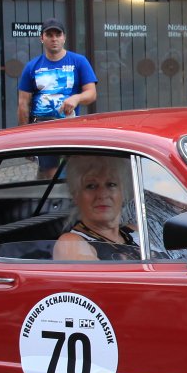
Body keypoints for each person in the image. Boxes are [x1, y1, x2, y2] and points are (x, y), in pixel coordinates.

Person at [17, 18, 98, 178]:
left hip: (69, 128)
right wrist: (24, 137)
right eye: (49, 35)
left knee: (71, 175)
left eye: (58, 34)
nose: (54, 39)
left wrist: (76, 98)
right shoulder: (32, 66)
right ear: (42, 38)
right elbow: (23, 103)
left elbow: (91, 93)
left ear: (64, 37)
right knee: (50, 174)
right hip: (42, 128)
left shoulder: (79, 62)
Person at [54, 155, 140, 261]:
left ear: (123, 193)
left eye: (111, 184)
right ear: (76, 195)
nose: (102, 194)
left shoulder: (135, 231)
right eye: (91, 186)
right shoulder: (71, 243)